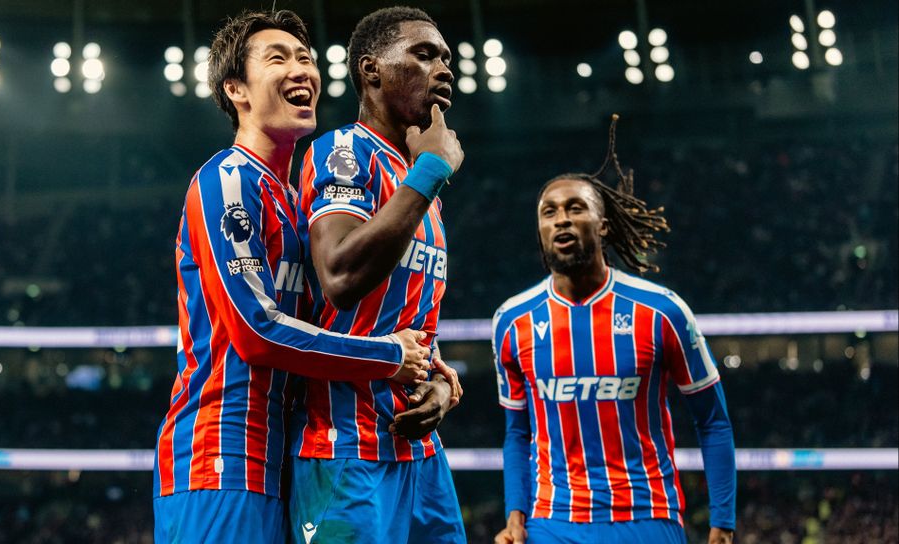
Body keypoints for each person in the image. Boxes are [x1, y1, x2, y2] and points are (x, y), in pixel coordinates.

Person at [151, 10, 434, 544]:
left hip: (293, 461)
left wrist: (434, 371)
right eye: (277, 58)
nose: (301, 69)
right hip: (223, 457)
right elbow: (256, 332)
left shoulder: (301, 205)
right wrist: (389, 356)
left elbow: (338, 319)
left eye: (305, 58)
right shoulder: (228, 181)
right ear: (236, 89)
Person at [493, 117, 736, 544]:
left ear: (602, 225)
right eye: (549, 212)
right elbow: (517, 431)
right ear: (540, 230)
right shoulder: (512, 321)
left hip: (647, 516)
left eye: (576, 208)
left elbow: (713, 420)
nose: (562, 220)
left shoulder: (662, 311)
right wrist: (515, 516)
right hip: (553, 521)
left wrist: (724, 522)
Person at [288, 6, 467, 544]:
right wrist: (432, 170)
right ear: (371, 70)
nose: (445, 69)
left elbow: (410, 321)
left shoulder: (418, 184)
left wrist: (439, 385)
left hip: (420, 455)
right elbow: (340, 277)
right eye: (424, 54)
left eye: (446, 58)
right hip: (346, 454)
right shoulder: (344, 152)